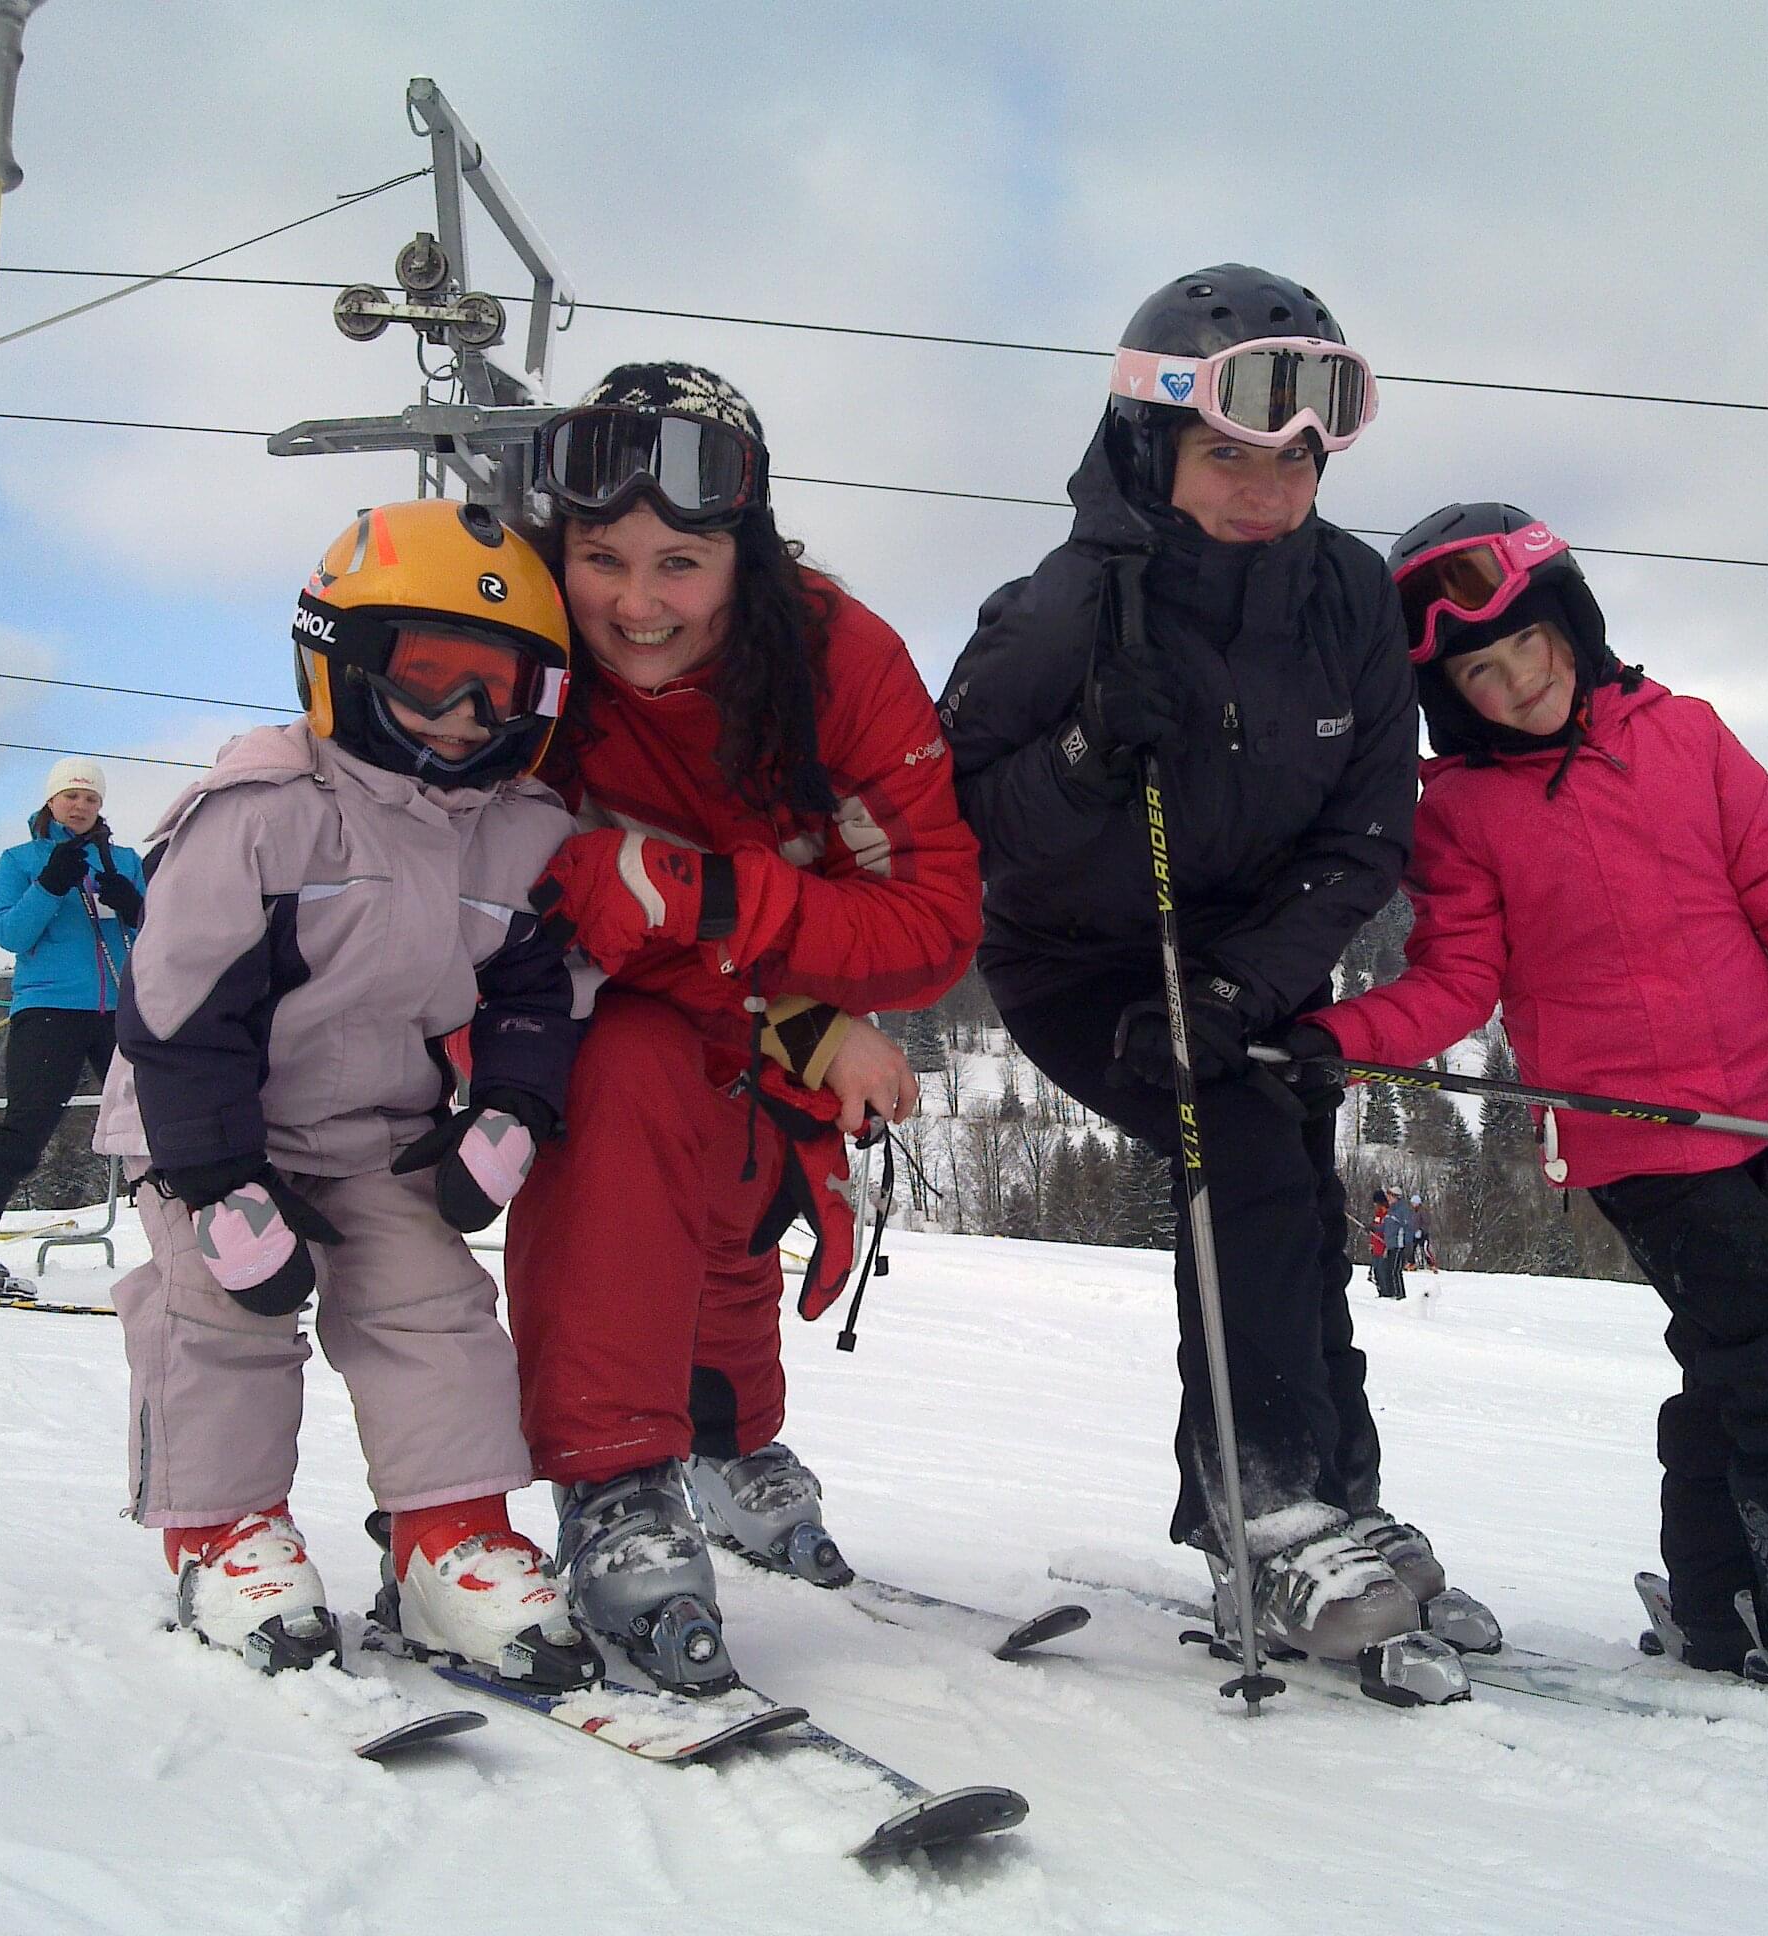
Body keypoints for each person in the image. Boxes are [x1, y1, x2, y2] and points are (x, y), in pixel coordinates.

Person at [1281, 501, 1768, 1732]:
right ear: (1447, 696)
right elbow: (1454, 981)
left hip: (1759, 1118)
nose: (1515, 683)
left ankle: (1722, 1599)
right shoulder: (1464, 812)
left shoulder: (1687, 737)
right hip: (1633, 1141)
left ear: (1573, 626)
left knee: (1729, 1366)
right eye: (1479, 674)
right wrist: (1337, 1039)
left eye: (1527, 647)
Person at [940, 265, 1495, 1661]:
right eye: (1228, 459)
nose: (1266, 493)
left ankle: (1336, 1497)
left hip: (1251, 962)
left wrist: (1249, 982)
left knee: (1296, 1201)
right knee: (1240, 1161)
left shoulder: (1347, 598)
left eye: (1294, 465)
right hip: (1083, 965)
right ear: (1151, 447)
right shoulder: (1065, 607)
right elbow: (950, 822)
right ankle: (1266, 1515)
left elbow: (1366, 833)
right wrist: (1082, 757)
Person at [507, 362, 982, 1693]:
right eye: (602, 560)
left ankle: (720, 1440)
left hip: (751, 983)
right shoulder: (528, 646)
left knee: (746, 1180)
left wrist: (716, 908)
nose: (637, 606)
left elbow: (933, 924)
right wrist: (795, 1009)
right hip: (596, 1002)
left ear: (744, 553)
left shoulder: (838, 659)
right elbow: (519, 895)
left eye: (681, 563)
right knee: (630, 1088)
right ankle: (612, 1475)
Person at [95, 500, 599, 1688]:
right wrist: (218, 1182)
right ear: (344, 662)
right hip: (205, 1129)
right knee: (219, 1316)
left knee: (435, 1311)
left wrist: (512, 1108)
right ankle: (221, 1532)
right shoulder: (265, 813)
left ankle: (448, 1538)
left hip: (378, 1130)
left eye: (496, 687)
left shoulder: (519, 833)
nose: (464, 714)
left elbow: (540, 990)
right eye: (430, 676)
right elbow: (179, 1009)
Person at [0, 755, 146, 1293]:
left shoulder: (123, 860)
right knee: (27, 1127)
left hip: (122, 1008)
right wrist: (49, 886)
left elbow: (160, 936)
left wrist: (136, 908)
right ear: (51, 800)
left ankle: (192, 1248)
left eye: (90, 797)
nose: (80, 806)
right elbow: (10, 935)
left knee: (155, 1127)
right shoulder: (20, 860)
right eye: (71, 795)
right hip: (49, 1007)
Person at [1371, 1191, 1413, 1299]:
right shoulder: (1390, 1212)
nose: (1388, 1198)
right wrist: (1373, 1228)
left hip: (1398, 1244)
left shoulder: (1401, 1210)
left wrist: (1408, 1244)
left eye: (1390, 1196)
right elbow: (1384, 1227)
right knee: (1389, 1270)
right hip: (1390, 1245)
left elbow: (1408, 1227)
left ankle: (1399, 1294)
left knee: (1395, 1270)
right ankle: (1391, 1292)